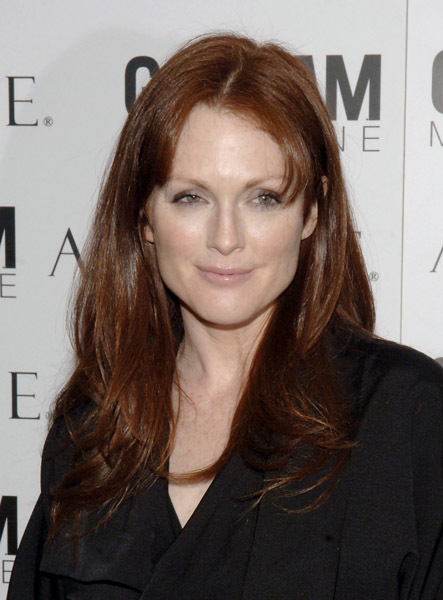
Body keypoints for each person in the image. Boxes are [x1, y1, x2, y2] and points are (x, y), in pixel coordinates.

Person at [7, 33, 443, 600]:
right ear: (144, 216)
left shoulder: (405, 416)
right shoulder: (92, 430)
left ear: (312, 211)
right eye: (191, 197)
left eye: (263, 198)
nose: (226, 238)